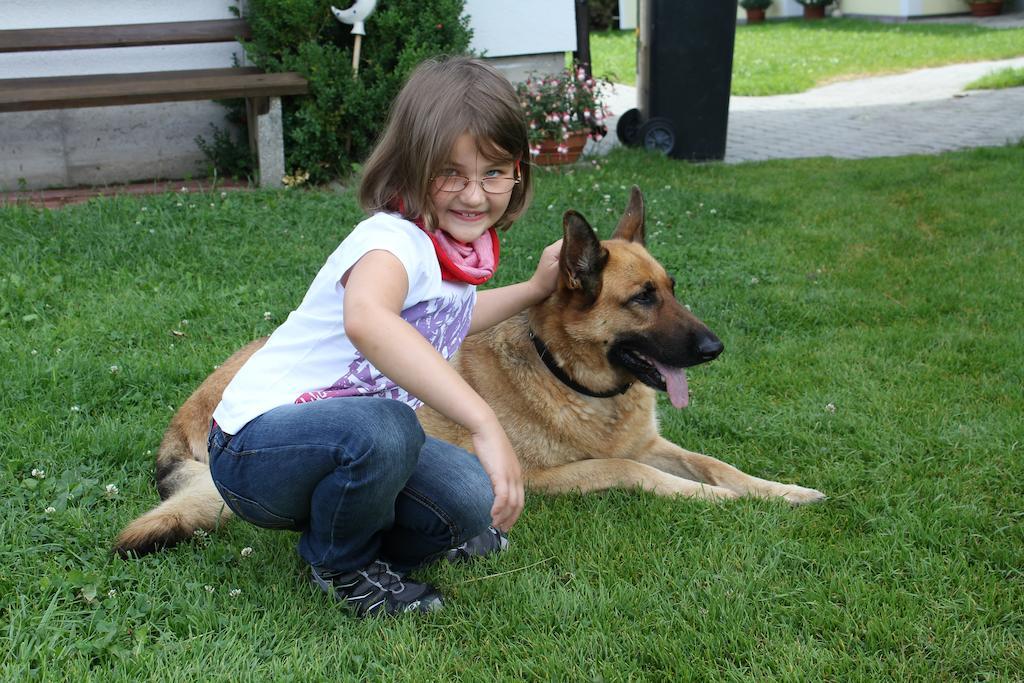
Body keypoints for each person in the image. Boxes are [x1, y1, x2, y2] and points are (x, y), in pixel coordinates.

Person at [207, 56, 561, 617]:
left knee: (469, 500)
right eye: (451, 173)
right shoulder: (389, 242)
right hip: (254, 450)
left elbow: (448, 322)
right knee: (390, 426)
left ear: (518, 172)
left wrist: (535, 288)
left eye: (493, 172)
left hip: (350, 445)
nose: (474, 195)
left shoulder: (452, 246)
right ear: (410, 167)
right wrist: (482, 419)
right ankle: (339, 564)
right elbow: (369, 319)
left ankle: (367, 547)